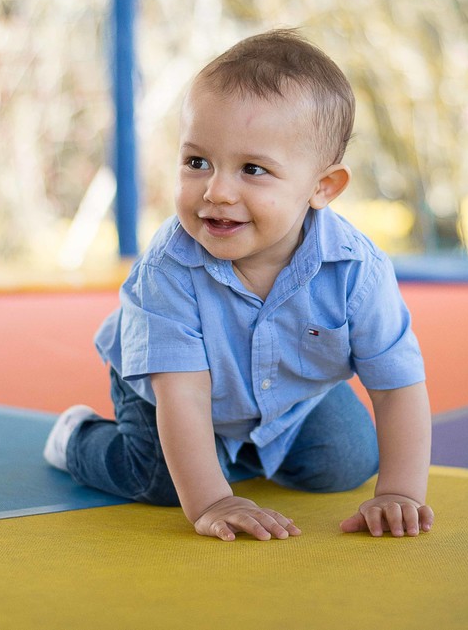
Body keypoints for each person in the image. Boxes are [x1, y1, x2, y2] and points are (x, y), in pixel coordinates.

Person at [44, 28, 433, 542]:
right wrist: (212, 500)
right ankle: (77, 438)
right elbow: (182, 395)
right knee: (161, 481)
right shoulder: (169, 268)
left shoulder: (357, 270)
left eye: (253, 169)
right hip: (170, 392)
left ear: (322, 187)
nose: (217, 191)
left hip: (287, 396)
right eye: (197, 162)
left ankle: (237, 451)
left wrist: (400, 492)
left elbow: (397, 387)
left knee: (346, 462)